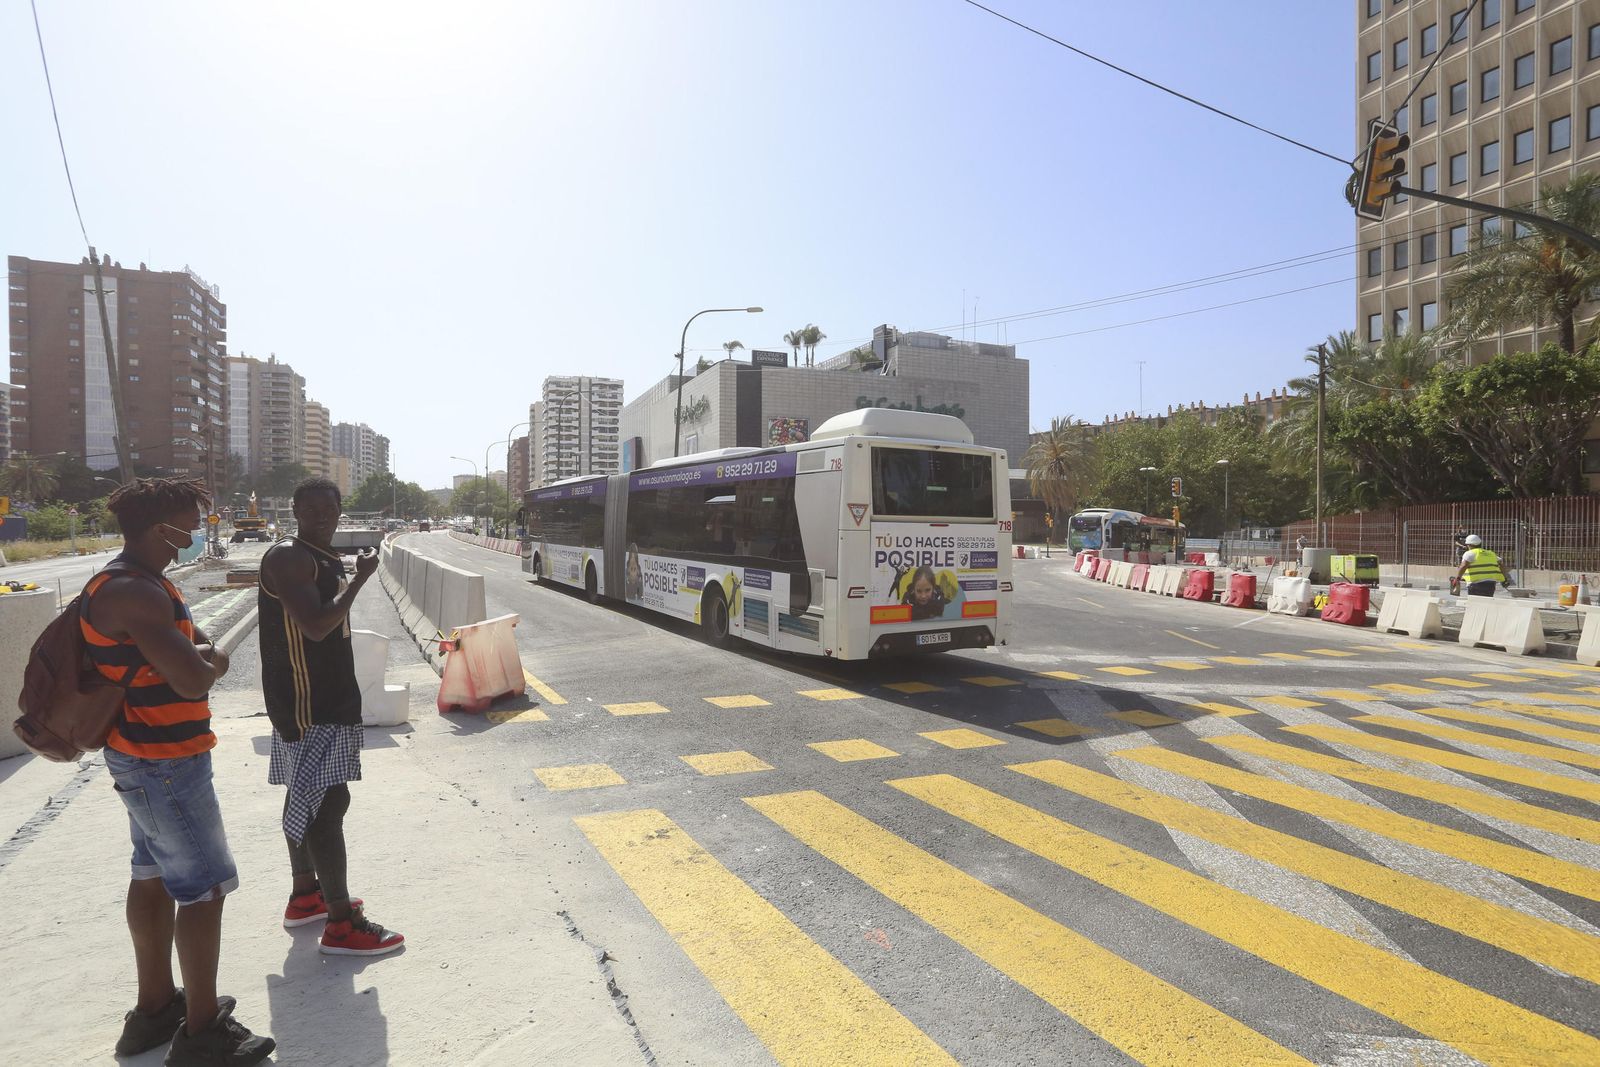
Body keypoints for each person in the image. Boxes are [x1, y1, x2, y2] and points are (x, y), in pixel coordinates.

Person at [89, 477, 274, 1065]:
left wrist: (196, 654)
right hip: (165, 762)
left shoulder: (132, 584)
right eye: (190, 522)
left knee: (150, 874)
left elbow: (180, 658)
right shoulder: (136, 593)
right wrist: (210, 659)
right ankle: (200, 1033)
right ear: (161, 527)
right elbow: (194, 674)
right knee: (204, 889)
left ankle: (154, 1010)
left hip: (143, 756)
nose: (196, 533)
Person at [259, 477, 404, 957]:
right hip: (308, 705)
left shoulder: (317, 557)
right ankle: (341, 922)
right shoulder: (288, 557)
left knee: (308, 796)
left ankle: (307, 895)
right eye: (311, 507)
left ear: (340, 510)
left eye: (330, 506)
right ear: (295, 509)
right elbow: (318, 627)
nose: (322, 514)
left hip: (326, 700)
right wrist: (362, 579)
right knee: (327, 806)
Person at [1455, 533, 1511, 597]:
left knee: (1475, 604)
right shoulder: (1491, 553)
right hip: (1491, 584)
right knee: (1486, 603)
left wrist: (1457, 578)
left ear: (1469, 545)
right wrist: (1505, 578)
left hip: (1476, 584)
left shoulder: (1469, 553)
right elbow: (1501, 565)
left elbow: (1463, 566)